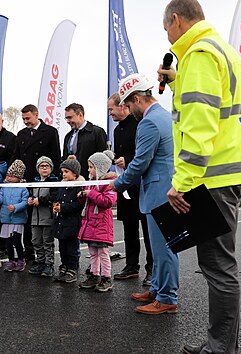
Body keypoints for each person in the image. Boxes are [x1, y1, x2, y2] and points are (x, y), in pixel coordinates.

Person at [159, 1, 241, 352]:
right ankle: (219, 344)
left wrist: (182, 183)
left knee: (217, 266)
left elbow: (200, 126)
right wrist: (175, 82)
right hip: (231, 168)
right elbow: (204, 103)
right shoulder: (222, 50)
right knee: (217, 264)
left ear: (175, 19)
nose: (168, 37)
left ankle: (221, 349)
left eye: (166, 29)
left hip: (214, 174)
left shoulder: (199, 54)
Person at [110, 73, 179, 315]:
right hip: (164, 188)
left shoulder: (148, 122)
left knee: (164, 248)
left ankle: (168, 297)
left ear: (137, 99)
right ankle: (159, 290)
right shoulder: (165, 115)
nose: (129, 109)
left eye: (128, 104)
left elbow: (140, 163)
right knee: (159, 248)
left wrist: (117, 184)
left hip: (159, 192)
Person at [108, 93, 153, 286]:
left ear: (123, 107)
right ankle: (131, 265)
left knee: (148, 229)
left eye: (111, 109)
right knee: (129, 227)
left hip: (142, 184)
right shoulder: (117, 130)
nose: (110, 113)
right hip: (125, 184)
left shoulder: (140, 124)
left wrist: (128, 159)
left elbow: (144, 153)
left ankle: (152, 269)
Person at [12, 104, 62, 261]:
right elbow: (16, 157)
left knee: (43, 216)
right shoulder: (21, 134)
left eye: (28, 118)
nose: (26, 121)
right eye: (23, 119)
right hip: (27, 181)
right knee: (28, 217)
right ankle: (29, 250)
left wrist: (53, 180)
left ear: (36, 115)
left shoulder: (50, 132)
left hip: (44, 181)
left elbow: (56, 156)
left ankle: (45, 254)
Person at [78, 151, 117, 293]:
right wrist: (82, 196)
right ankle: (94, 275)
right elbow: (87, 203)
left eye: (91, 167)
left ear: (100, 168)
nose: (89, 170)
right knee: (93, 252)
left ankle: (106, 278)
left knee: (103, 252)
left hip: (101, 225)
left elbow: (108, 201)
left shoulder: (109, 183)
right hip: (90, 224)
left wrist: (91, 194)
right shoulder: (91, 183)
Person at [51, 157, 83, 283]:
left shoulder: (78, 188)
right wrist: (55, 206)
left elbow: (78, 205)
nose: (63, 174)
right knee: (63, 248)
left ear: (75, 174)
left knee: (72, 249)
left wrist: (63, 207)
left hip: (72, 224)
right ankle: (64, 266)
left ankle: (72, 269)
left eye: (66, 172)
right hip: (61, 224)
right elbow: (57, 199)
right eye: (63, 172)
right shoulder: (61, 186)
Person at [0, 159, 29, 272]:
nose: (9, 178)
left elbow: (25, 202)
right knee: (8, 242)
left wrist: (16, 207)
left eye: (12, 176)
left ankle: (21, 259)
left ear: (19, 177)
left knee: (17, 241)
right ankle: (11, 260)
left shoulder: (23, 188)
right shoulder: (4, 186)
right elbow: (1, 198)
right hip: (6, 218)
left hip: (18, 219)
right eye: (8, 175)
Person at [27, 156, 59, 277]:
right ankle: (40, 261)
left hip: (48, 218)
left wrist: (41, 201)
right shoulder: (34, 182)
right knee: (36, 240)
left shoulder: (54, 182)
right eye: (42, 166)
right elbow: (29, 195)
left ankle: (49, 264)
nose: (44, 168)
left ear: (51, 168)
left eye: (47, 166)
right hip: (35, 218)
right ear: (37, 168)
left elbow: (54, 197)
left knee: (47, 241)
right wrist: (29, 200)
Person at [61, 103, 107, 180]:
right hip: (72, 181)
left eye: (70, 117)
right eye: (66, 118)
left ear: (80, 115)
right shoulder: (68, 136)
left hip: (90, 179)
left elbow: (102, 158)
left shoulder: (97, 132)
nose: (68, 121)